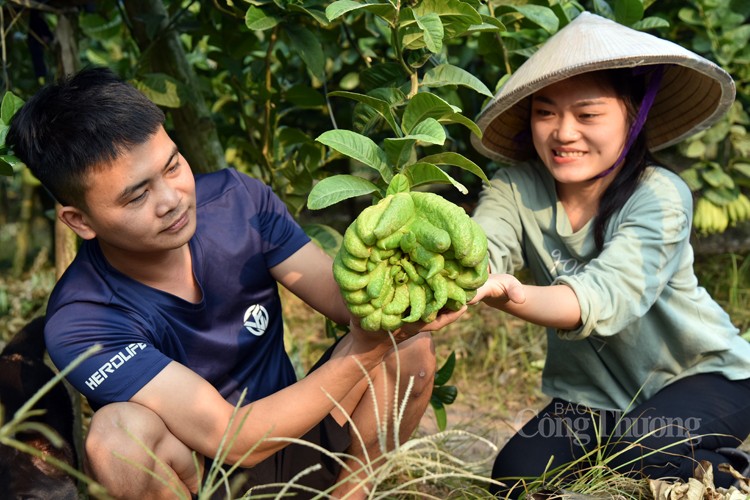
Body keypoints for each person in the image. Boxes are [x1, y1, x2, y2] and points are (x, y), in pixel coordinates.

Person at [6, 67, 466, 499]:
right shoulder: (82, 321)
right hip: (203, 475)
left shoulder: (238, 202)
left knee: (408, 344)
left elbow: (349, 301)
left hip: (306, 434)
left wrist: (430, 275)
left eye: (172, 167)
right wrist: (365, 346)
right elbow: (231, 438)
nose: (171, 200)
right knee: (116, 437)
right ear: (79, 220)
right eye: (137, 194)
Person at [469, 12, 750, 497]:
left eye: (588, 114)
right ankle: (681, 461)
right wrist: (467, 272)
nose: (563, 132)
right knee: (514, 478)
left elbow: (602, 298)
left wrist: (509, 292)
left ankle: (728, 476)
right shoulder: (514, 188)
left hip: (706, 375)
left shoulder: (660, 196)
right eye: (545, 112)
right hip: (594, 398)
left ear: (633, 114)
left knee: (641, 448)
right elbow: (481, 246)